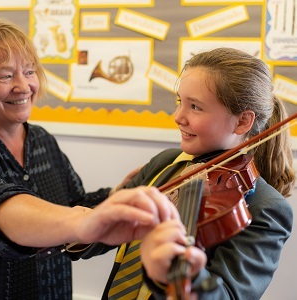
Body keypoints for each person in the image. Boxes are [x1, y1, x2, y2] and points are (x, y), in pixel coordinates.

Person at [0, 19, 178, 300]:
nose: (23, 86)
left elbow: (71, 206)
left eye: (29, 71)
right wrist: (82, 221)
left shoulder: (42, 140)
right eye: (6, 76)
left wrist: (115, 196)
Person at [103, 47, 295, 300]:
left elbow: (228, 295)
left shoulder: (264, 207)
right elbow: (102, 232)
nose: (177, 117)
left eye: (195, 107)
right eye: (180, 102)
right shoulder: (166, 164)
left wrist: (180, 273)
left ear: (242, 122)